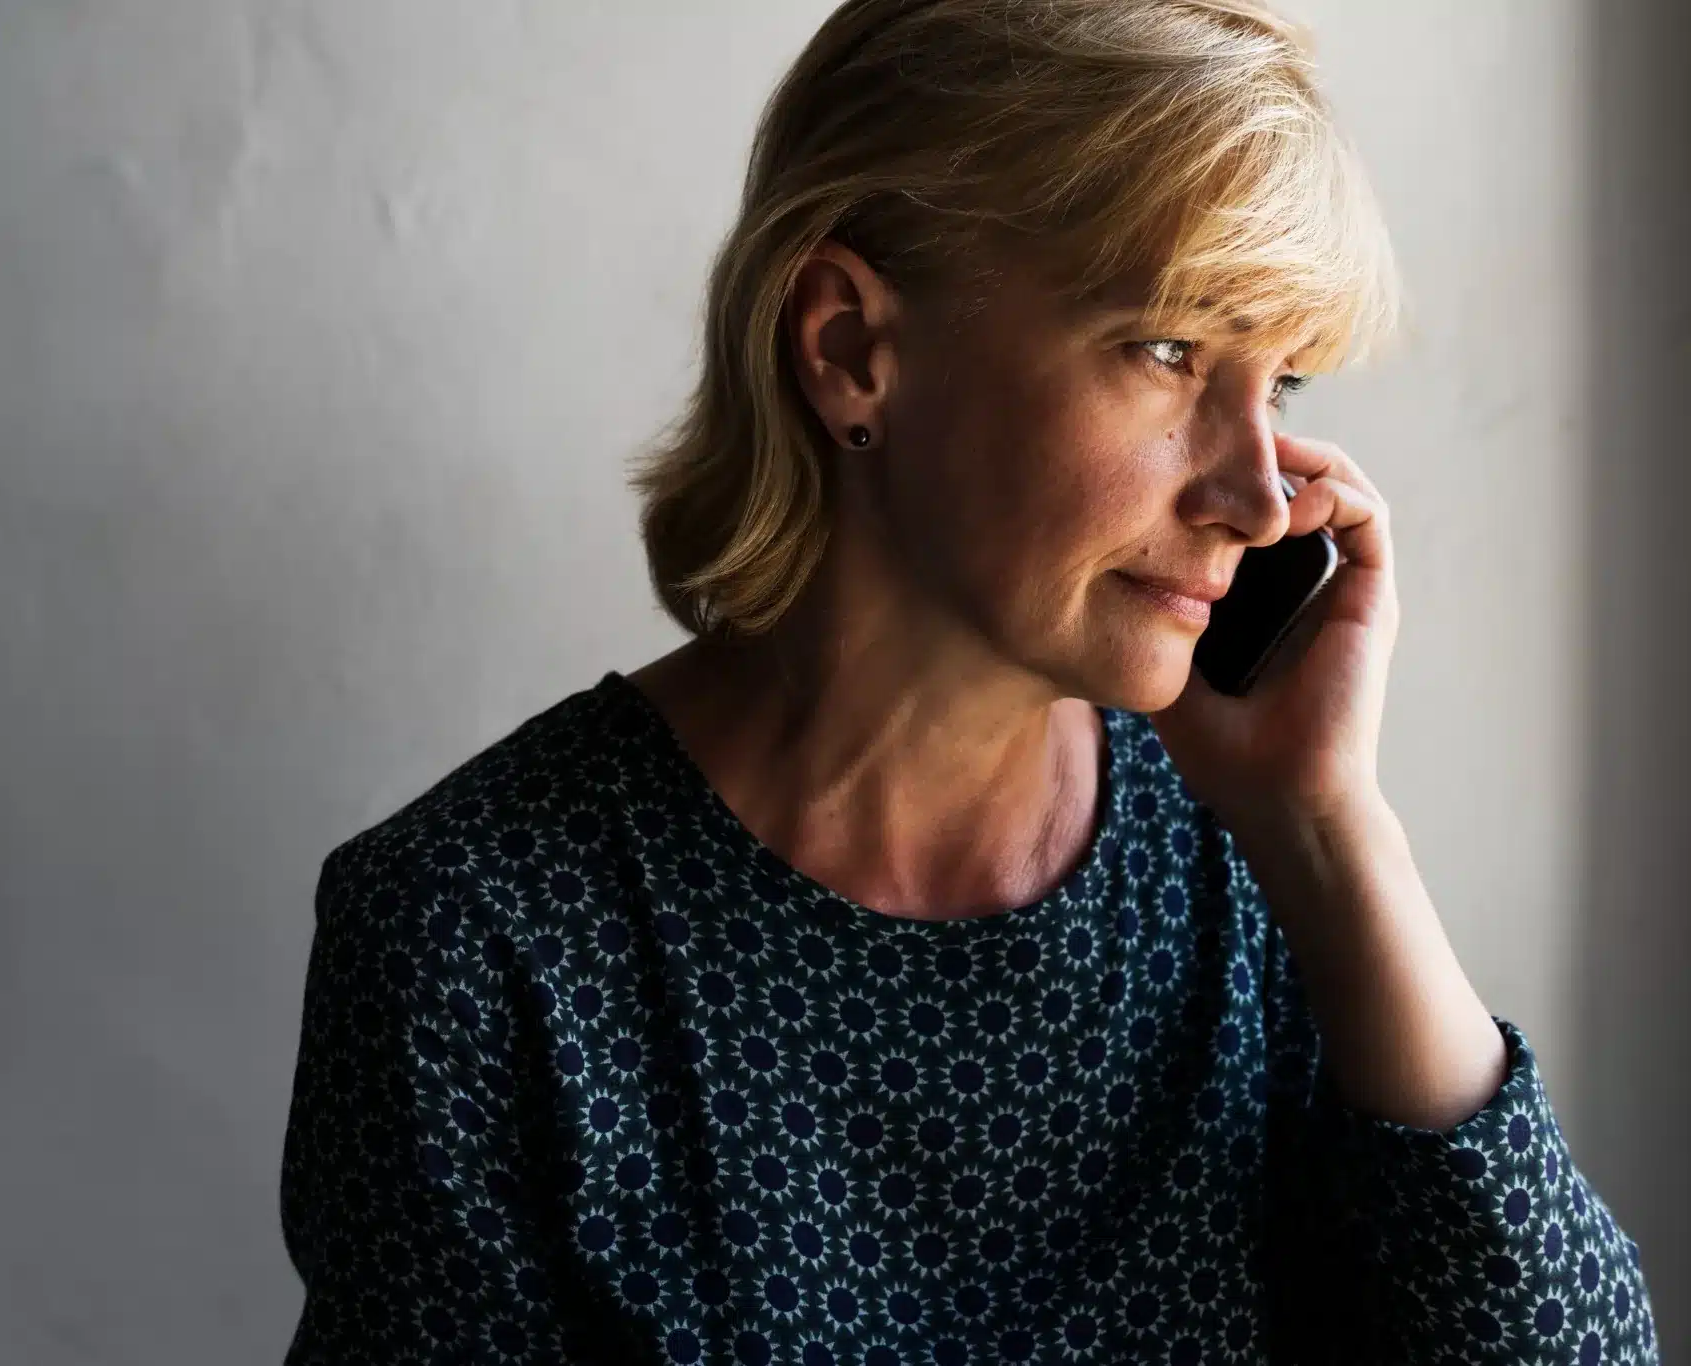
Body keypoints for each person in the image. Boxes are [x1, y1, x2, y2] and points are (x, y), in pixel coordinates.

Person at [278, 1, 1659, 1361]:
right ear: (849, 349)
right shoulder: (479, 939)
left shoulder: (1257, 868)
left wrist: (1330, 830)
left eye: (1282, 382)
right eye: (1171, 348)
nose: (1254, 492)